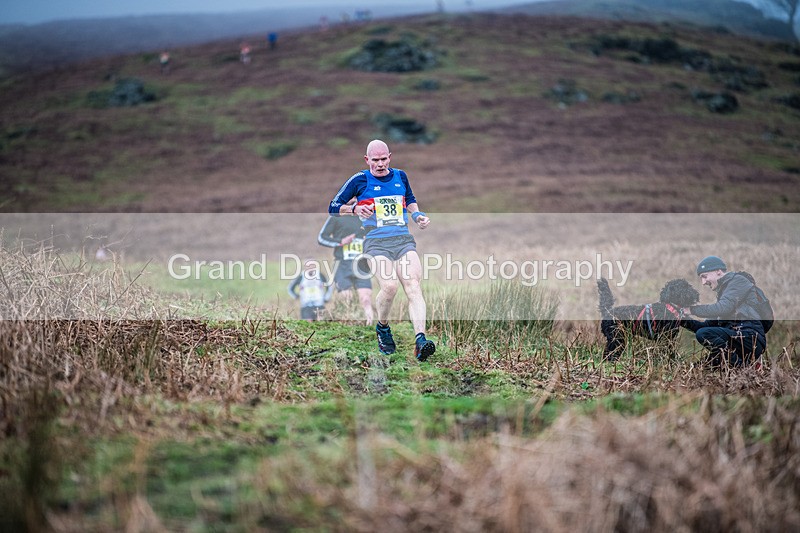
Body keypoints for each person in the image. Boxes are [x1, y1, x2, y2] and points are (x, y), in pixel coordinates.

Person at [328, 139, 435, 361]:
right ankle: (383, 328)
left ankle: (420, 340)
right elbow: (333, 207)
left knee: (413, 286)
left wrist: (417, 216)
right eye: (375, 160)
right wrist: (355, 208)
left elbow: (410, 200)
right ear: (367, 160)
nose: (380, 164)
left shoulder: (400, 176)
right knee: (389, 287)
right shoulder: (360, 180)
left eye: (383, 159)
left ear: (390, 157)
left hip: (403, 239)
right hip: (376, 242)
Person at [680, 255, 767, 368]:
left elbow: (723, 308)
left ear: (718, 271)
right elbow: (705, 326)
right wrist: (680, 318)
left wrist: (691, 310)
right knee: (702, 366)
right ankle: (745, 366)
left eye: (704, 276)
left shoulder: (738, 281)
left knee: (704, 334)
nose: (703, 282)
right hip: (735, 338)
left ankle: (743, 370)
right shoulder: (725, 294)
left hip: (750, 338)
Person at [318, 210, 374, 324]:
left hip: (361, 265)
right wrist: (341, 241)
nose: (353, 200)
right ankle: (349, 328)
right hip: (342, 265)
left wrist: (367, 242)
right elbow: (321, 238)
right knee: (346, 298)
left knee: (366, 299)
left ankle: (372, 329)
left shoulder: (366, 217)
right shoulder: (336, 217)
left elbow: (376, 237)